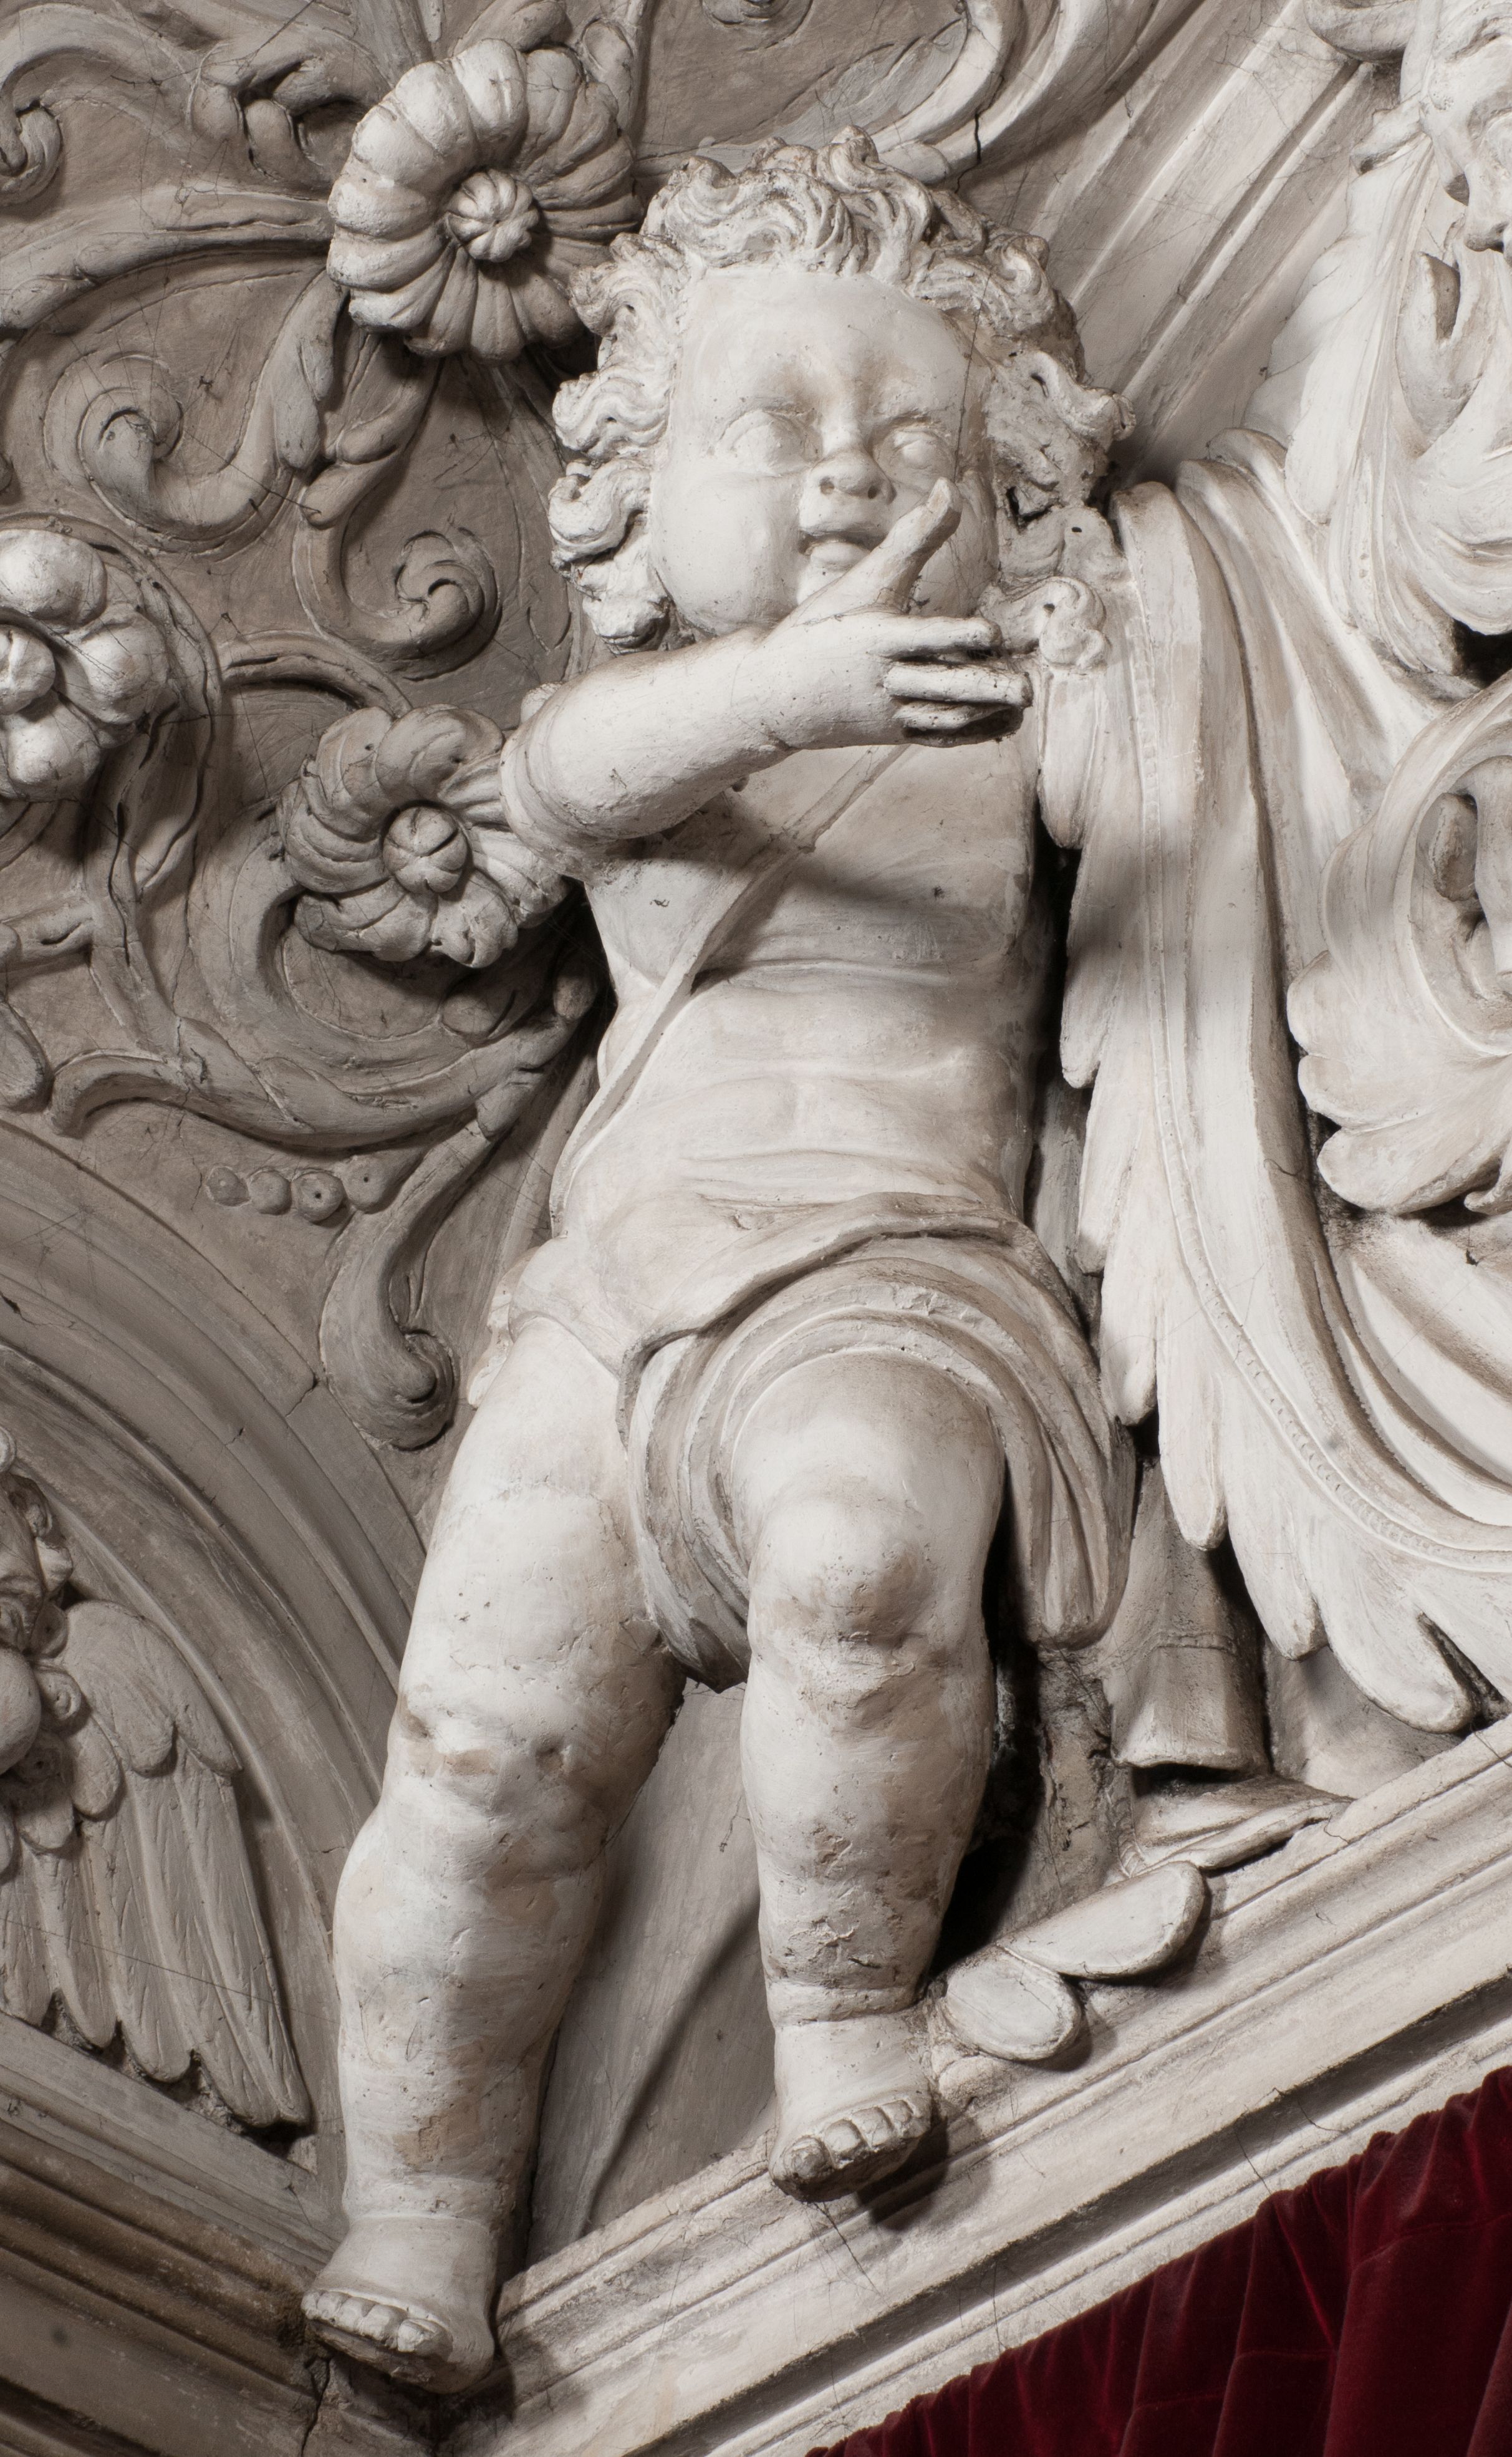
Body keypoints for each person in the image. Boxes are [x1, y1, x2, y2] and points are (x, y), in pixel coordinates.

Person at [304, 129, 1134, 2393]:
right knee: (482, 1745)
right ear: (632, 498)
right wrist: (795, 687)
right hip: (610, 1303)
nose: (849, 476)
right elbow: (568, 785)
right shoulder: (657, 722)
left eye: (913, 443)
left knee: (862, 1566)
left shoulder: (1027, 706)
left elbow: (1170, 805)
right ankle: (423, 2199)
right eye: (773, 431)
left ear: (1006, 487)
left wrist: (1070, 645)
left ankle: (841, 1998)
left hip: (891, 1259)